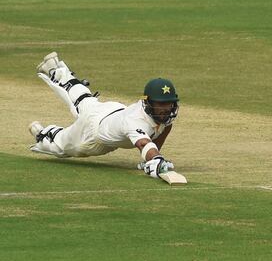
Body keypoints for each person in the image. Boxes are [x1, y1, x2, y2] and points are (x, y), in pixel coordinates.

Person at [28, 52, 180, 180]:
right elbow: (143, 143)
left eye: (168, 104)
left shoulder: (163, 118)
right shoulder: (136, 122)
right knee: (61, 148)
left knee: (84, 99)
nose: (165, 109)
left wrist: (152, 158)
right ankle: (43, 133)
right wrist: (155, 158)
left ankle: (56, 70)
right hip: (94, 136)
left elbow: (163, 130)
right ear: (148, 102)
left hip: (112, 111)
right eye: (160, 104)